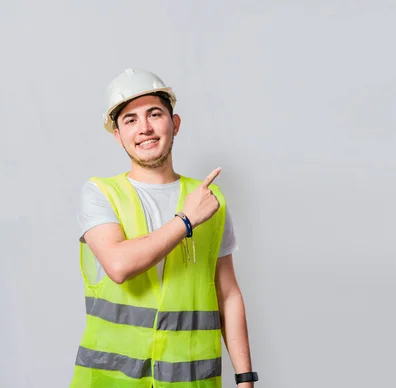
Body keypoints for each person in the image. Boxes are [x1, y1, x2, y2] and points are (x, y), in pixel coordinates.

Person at [69, 68, 259, 387]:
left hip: (189, 381)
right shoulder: (100, 193)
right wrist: (185, 220)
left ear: (175, 124)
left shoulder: (210, 200)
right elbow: (119, 265)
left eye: (154, 114)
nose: (144, 128)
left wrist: (245, 377)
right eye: (130, 120)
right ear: (118, 135)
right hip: (111, 380)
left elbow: (227, 293)